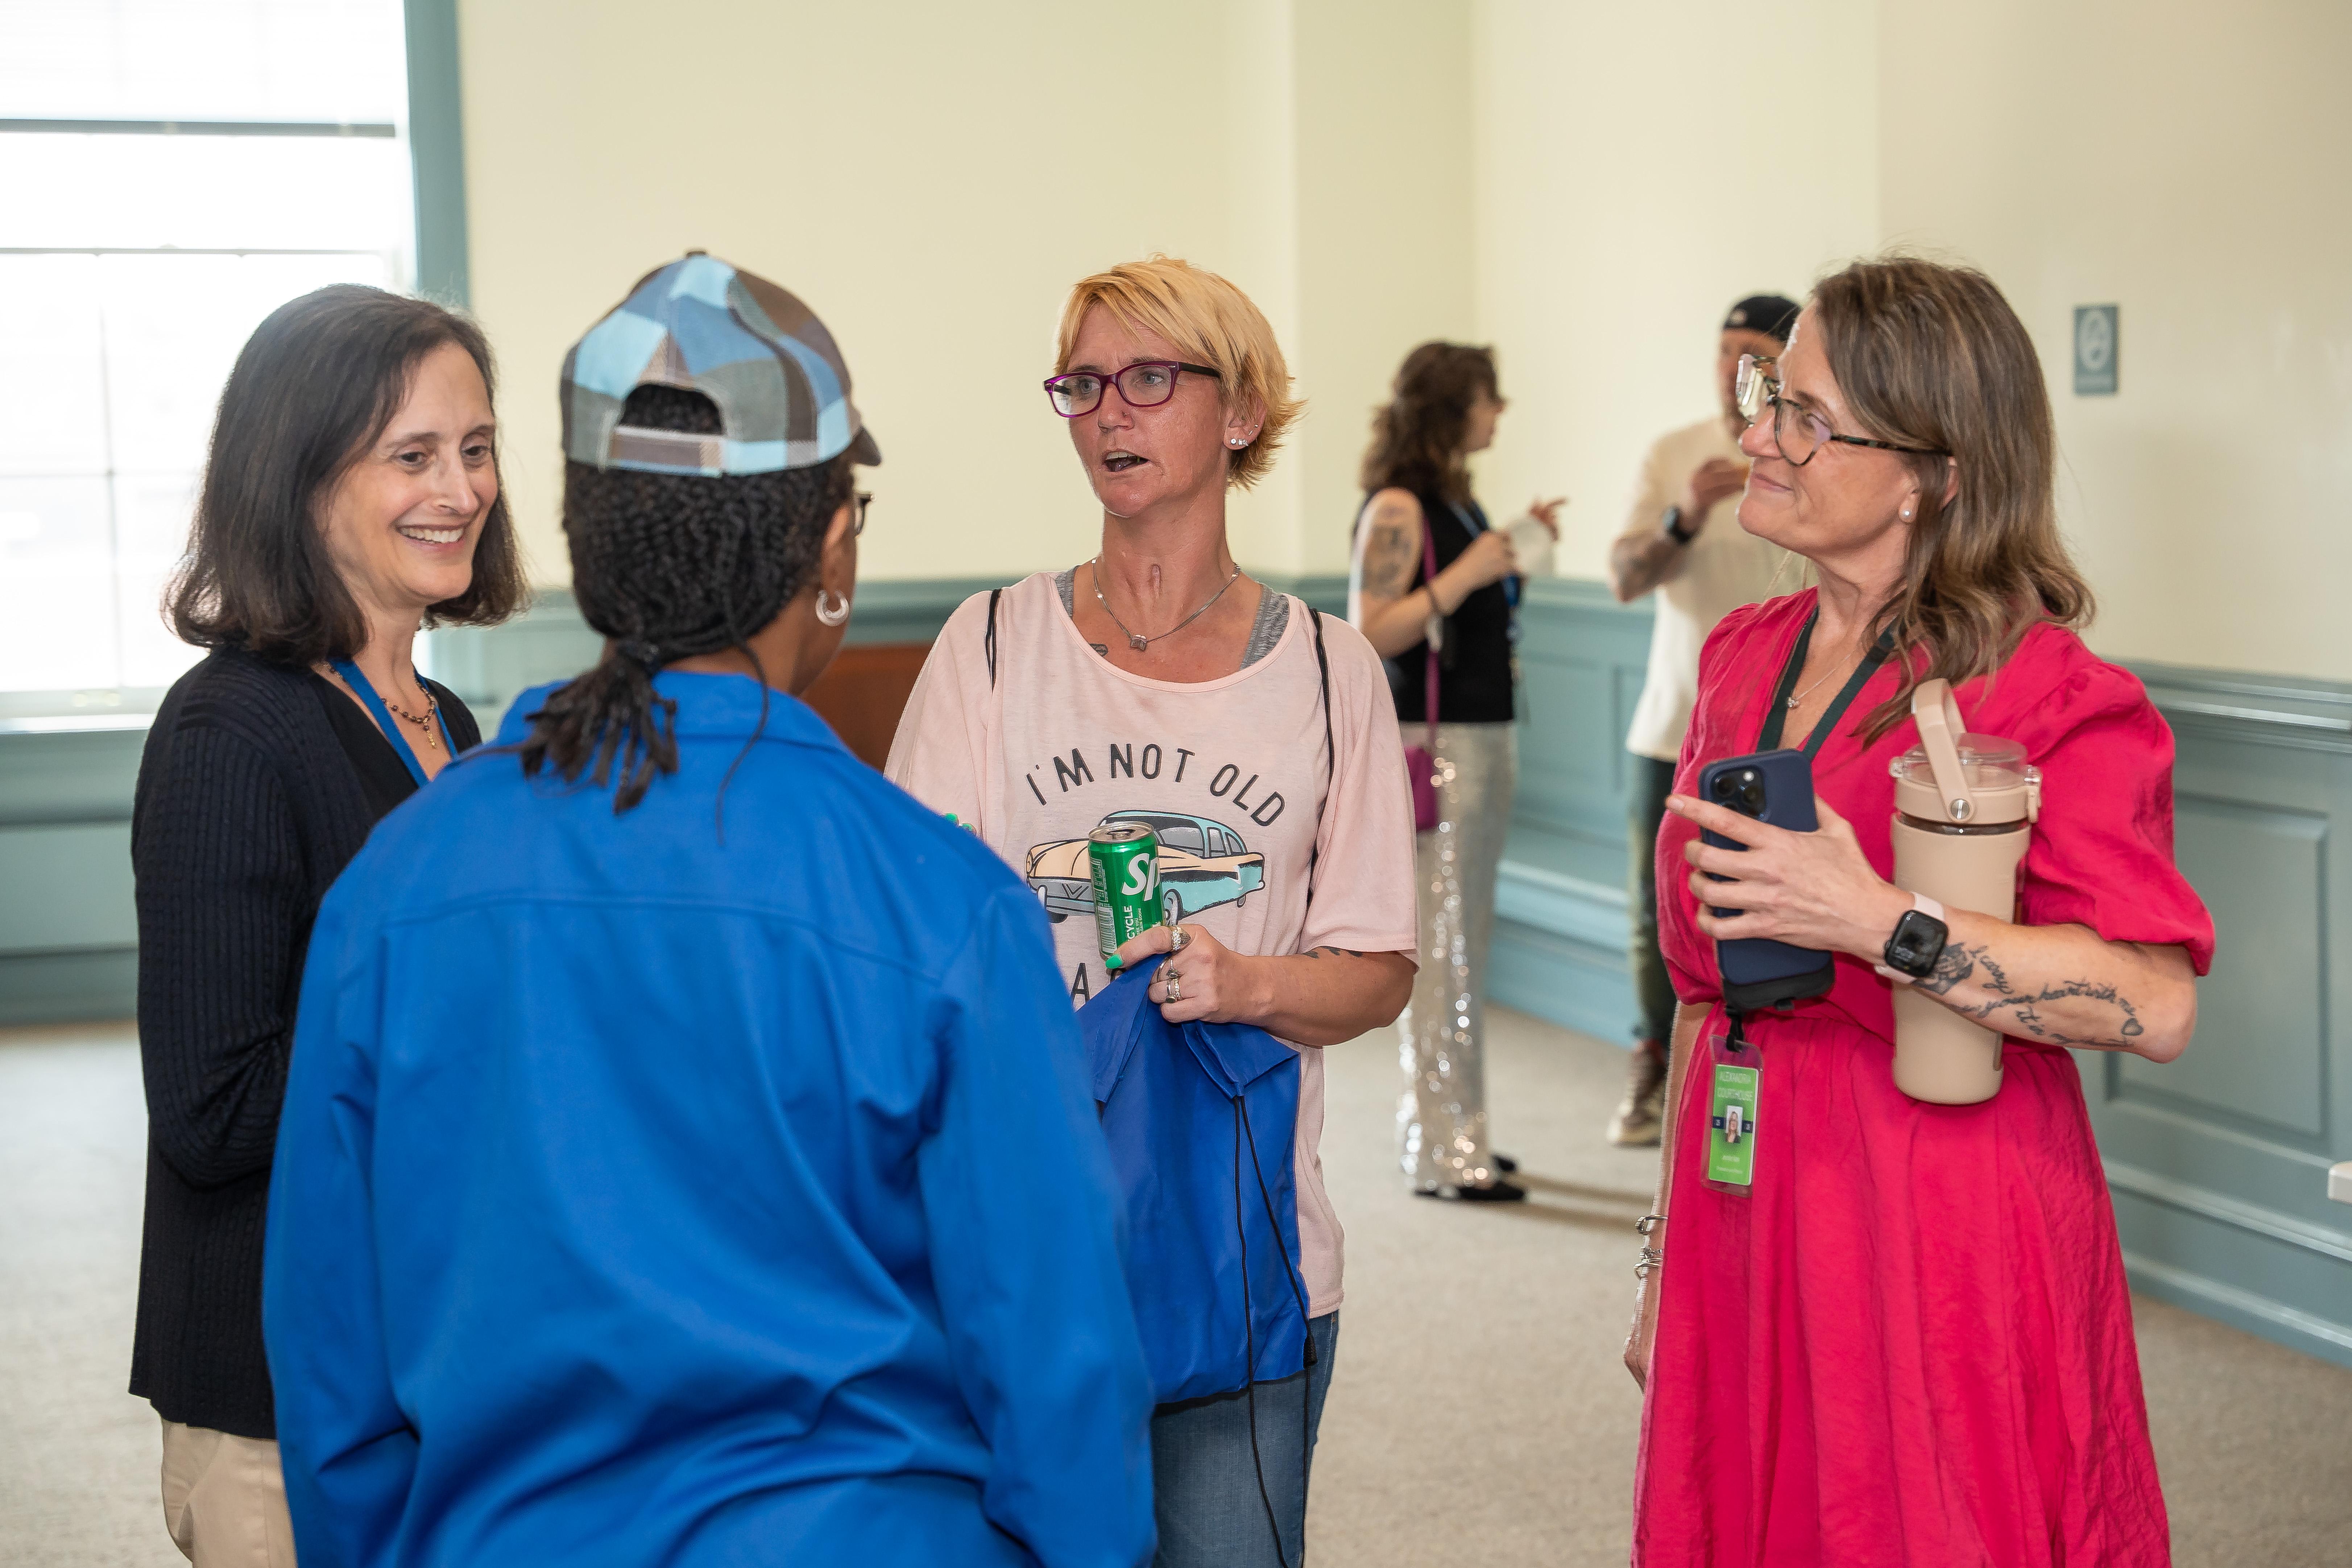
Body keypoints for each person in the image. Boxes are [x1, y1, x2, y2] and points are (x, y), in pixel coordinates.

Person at [261, 254, 1154, 1567]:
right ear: (831, 543)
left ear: (584, 540)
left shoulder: (397, 886)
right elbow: (1057, 1364)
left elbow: (335, 1364)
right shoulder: (940, 905)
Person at [1623, 256, 2212, 1566]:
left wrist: (1881, 920)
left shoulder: (2043, 691)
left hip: (1927, 1204)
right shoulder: (1740, 656)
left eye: (1806, 416)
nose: (1757, 434)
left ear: (1929, 475)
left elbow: (2156, 1000)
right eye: (1765, 392)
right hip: (1743, 1178)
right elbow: (1704, 988)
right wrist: (1663, 1256)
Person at [886, 255, 1416, 1568]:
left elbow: (1376, 969)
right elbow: (904, 940)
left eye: (1146, 379)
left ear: (1235, 412)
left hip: (1237, 1241)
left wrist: (1246, 986)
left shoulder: (1328, 673)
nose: (1106, 414)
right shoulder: (993, 645)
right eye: (1080, 384)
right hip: (1019, 1235)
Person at [130, 284, 521, 1565]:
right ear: (298, 480)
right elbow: (213, 1107)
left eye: (474, 448)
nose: (459, 489)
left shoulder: (450, 725)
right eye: (411, 454)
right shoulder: (227, 729)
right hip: (276, 1404)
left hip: (424, 1368)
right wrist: (471, 1014)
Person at [1347, 343, 1562, 1200]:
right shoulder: (1399, 505)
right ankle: (1443, 1148)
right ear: (1450, 407)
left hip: (1480, 740)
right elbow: (1368, 626)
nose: (1499, 411)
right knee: (1443, 950)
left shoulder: (1454, 503)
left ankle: (1455, 1126)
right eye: (1487, 398)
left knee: (1462, 943)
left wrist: (1509, 550)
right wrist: (1468, 574)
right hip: (1438, 751)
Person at [1602, 295, 1798, 1146]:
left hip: (1792, 736)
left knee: (1776, 916)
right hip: (1675, 726)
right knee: (1662, 912)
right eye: (1723, 352)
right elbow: (1622, 576)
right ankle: (1656, 1065)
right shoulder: (1675, 454)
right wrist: (1681, 517)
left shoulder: (1808, 451)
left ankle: (1766, 1082)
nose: (1731, 370)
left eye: (1752, 354)